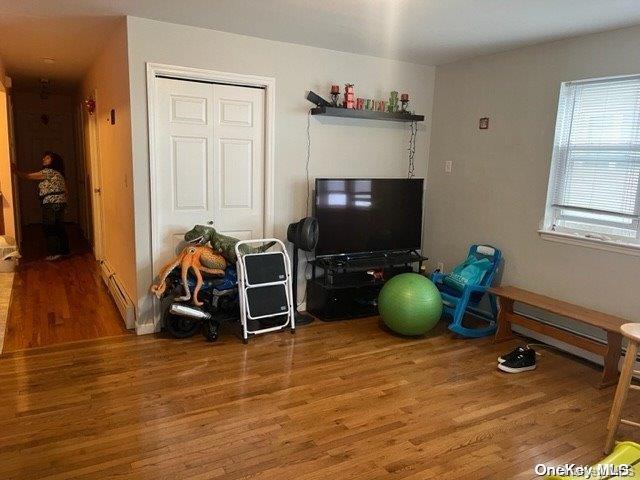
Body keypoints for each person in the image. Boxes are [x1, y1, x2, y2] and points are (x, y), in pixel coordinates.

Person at [13, 151, 70, 260]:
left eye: (47, 158)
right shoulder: (59, 173)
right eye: (44, 158)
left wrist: (15, 171)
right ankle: (64, 251)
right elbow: (66, 191)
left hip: (51, 202)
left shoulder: (48, 172)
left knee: (50, 227)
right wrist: (65, 205)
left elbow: (28, 176)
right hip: (60, 202)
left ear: (54, 161)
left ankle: (54, 253)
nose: (44, 159)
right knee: (59, 227)